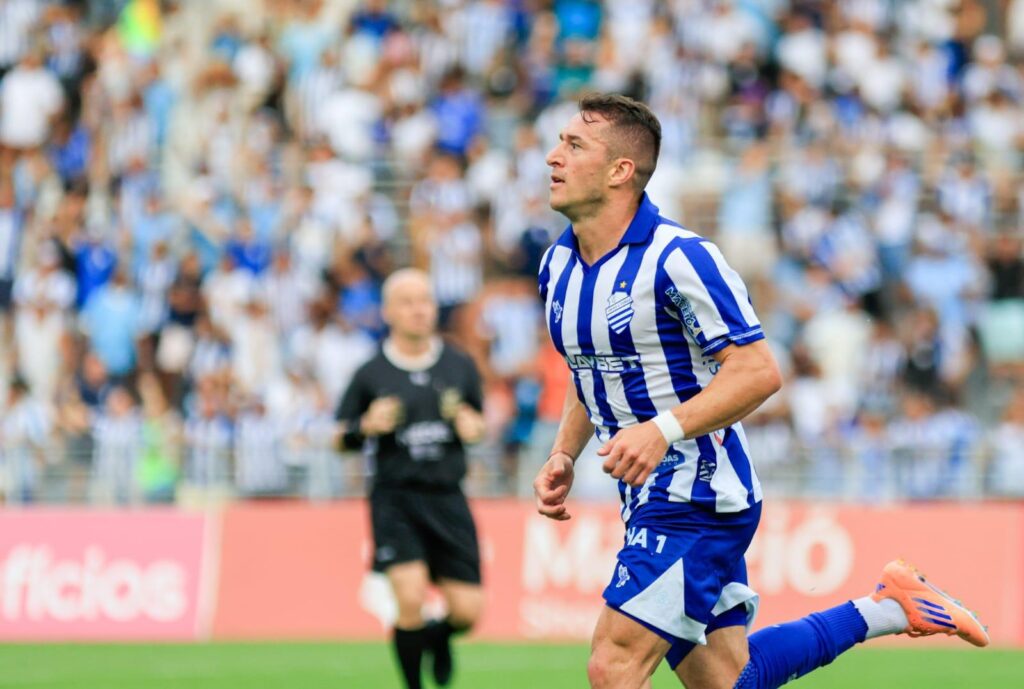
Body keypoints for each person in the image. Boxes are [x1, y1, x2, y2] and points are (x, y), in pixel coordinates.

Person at [532, 93, 989, 689]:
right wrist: (564, 452)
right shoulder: (557, 265)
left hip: (696, 494)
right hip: (645, 496)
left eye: (574, 145)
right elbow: (589, 367)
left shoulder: (680, 259)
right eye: (559, 142)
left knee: (613, 666)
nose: (553, 157)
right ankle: (889, 608)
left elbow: (758, 371)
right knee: (731, 680)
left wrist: (662, 430)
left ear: (621, 170)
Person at [336, 268, 486, 689]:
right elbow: (339, 436)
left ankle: (438, 638)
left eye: (424, 300)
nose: (418, 310)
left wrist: (473, 426)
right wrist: (365, 426)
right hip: (396, 498)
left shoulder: (459, 364)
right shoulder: (371, 372)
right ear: (387, 311)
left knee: (467, 611)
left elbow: (478, 422)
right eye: (407, 302)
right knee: (410, 598)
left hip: (448, 495)